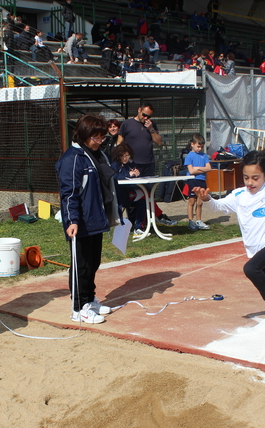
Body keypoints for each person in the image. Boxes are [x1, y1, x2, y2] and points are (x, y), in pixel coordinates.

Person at [192, 140, 265, 336]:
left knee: (251, 269)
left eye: (255, 178)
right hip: (255, 248)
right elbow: (218, 207)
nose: (250, 183)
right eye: (246, 177)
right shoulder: (239, 194)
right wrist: (207, 199)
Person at [56, 115, 120, 325]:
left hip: (95, 219)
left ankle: (89, 299)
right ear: (84, 134)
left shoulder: (96, 154)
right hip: (80, 222)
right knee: (81, 265)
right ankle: (78, 308)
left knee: (93, 263)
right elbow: (69, 193)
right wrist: (72, 220)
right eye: (96, 137)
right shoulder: (73, 158)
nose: (99, 141)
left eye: (102, 137)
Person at [116, 104, 175, 226]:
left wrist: (151, 129)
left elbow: (159, 142)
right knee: (139, 194)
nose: (146, 118)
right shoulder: (127, 124)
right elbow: (119, 143)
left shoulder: (151, 125)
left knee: (149, 193)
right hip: (133, 164)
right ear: (139, 110)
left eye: (149, 116)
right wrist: (121, 159)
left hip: (148, 163)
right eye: (144, 115)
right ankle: (149, 219)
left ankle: (149, 219)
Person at [184, 133, 211, 230]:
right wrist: (203, 169)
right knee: (192, 200)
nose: (200, 149)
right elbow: (191, 171)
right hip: (192, 180)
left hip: (202, 180)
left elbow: (209, 168)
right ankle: (190, 221)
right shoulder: (189, 156)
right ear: (192, 144)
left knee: (200, 202)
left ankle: (199, 221)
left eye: (201, 147)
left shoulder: (204, 156)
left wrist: (198, 168)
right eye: (198, 146)